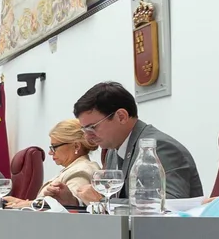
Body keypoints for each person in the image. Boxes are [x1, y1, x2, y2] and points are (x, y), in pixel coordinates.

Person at [71, 81, 203, 202]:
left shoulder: (159, 148)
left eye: (92, 128)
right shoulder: (112, 150)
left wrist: (103, 202)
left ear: (121, 117)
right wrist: (71, 201)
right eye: (85, 130)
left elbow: (168, 205)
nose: (88, 137)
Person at [5, 120, 99, 209]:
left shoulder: (81, 171)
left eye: (54, 147)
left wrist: (27, 204)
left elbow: (68, 207)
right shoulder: (75, 168)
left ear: (76, 146)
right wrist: (20, 202)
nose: (50, 152)